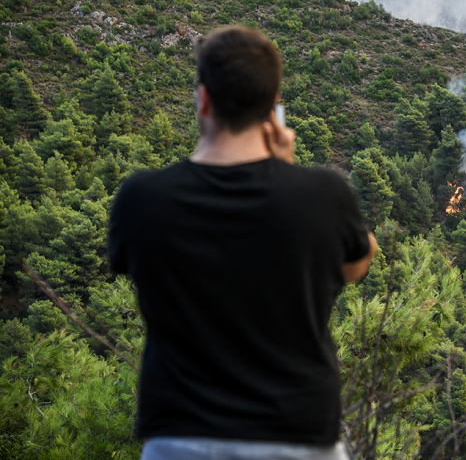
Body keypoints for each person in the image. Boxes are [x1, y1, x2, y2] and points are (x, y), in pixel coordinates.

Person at [108, 26, 377, 460]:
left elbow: (131, 265)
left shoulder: (142, 198)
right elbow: (356, 264)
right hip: (300, 437)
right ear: (273, 107)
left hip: (182, 438)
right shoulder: (324, 195)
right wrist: (286, 171)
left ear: (204, 99)